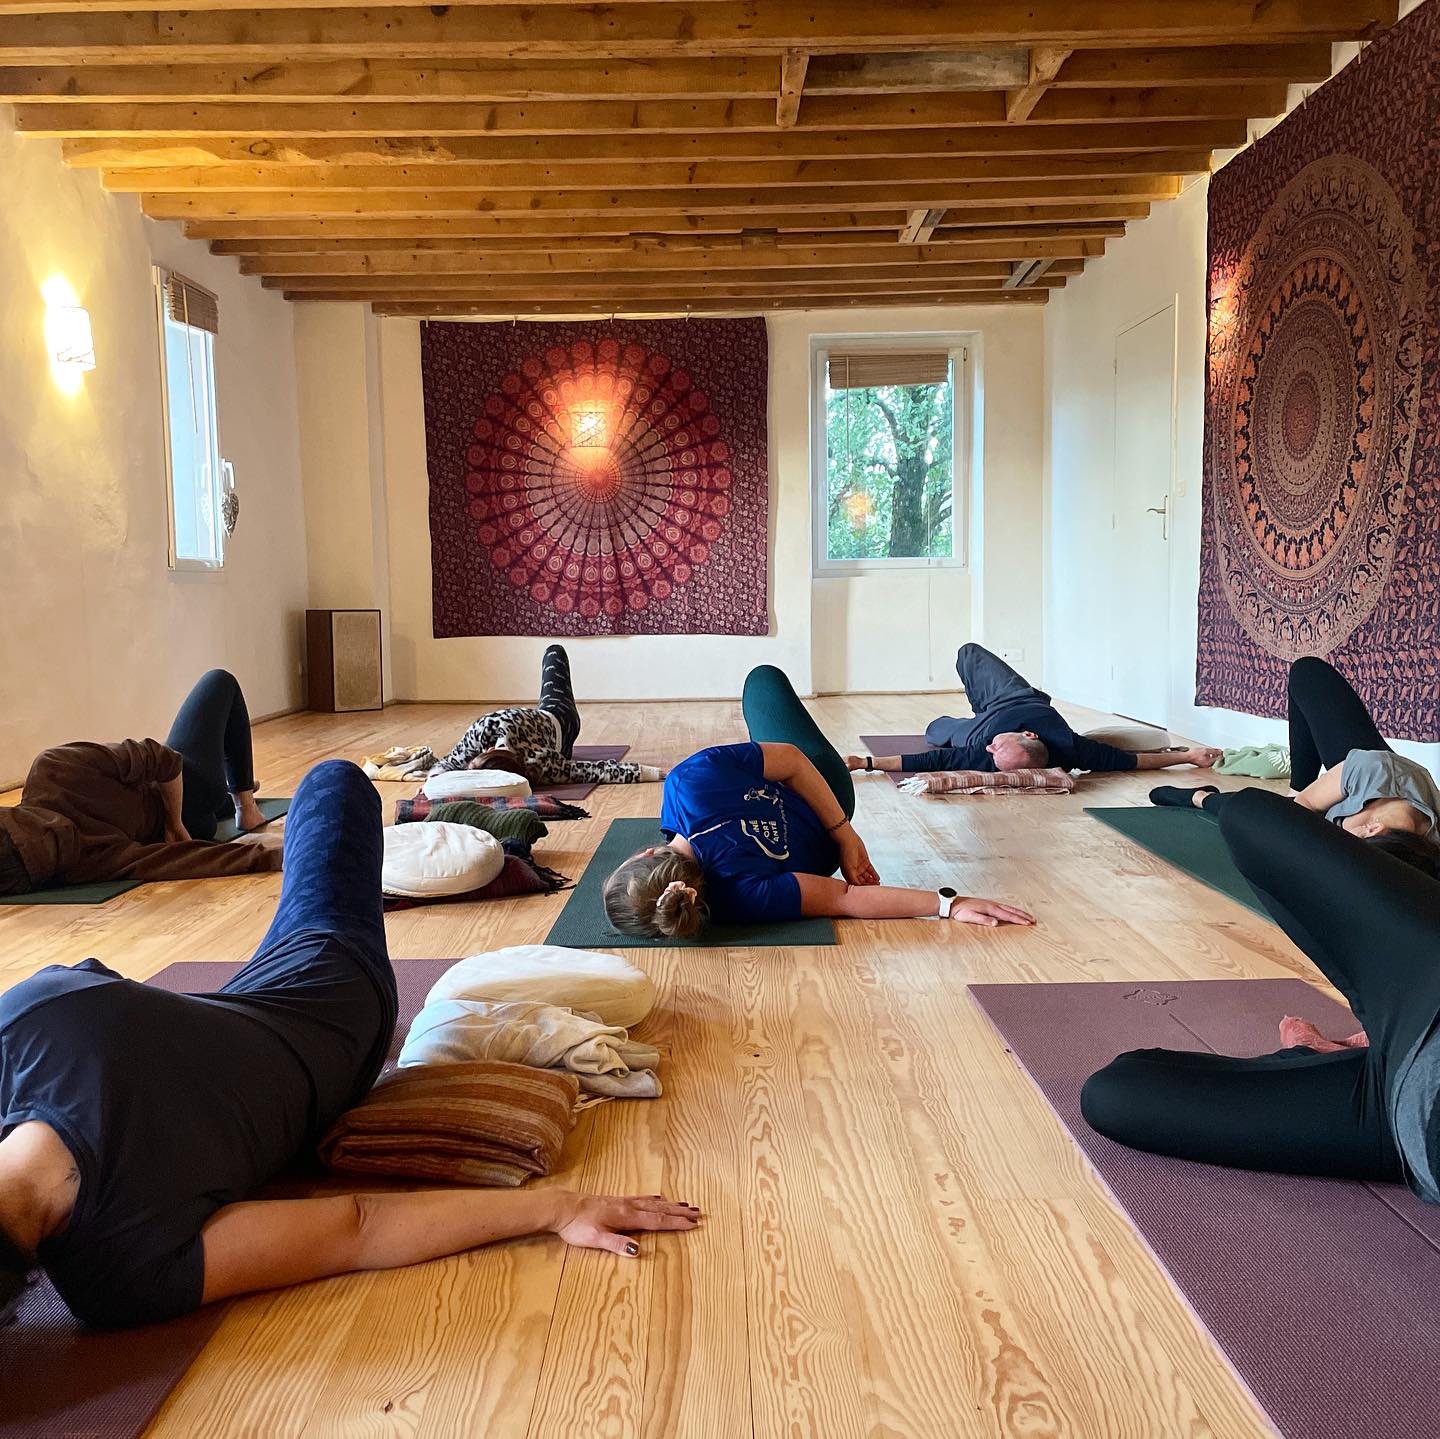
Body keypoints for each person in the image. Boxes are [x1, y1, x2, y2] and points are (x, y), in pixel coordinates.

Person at [0, 760, 699, 1331]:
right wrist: (556, 1208)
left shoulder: (119, 1275)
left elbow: (357, 1228)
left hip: (278, 1015)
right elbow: (358, 1227)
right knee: (334, 782)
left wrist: (561, 1209)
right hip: (332, 998)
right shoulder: (27, 1022)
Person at [1081, 787, 1440, 1204]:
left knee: (1118, 1093)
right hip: (1404, 1104)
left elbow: (1254, 814)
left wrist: (1202, 798)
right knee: (1115, 1092)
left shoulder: (1419, 942)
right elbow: (1122, 1085)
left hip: (1407, 1123)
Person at [602, 665, 1035, 939]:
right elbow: (791, 761)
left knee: (762, 752)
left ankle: (755, 759)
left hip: (831, 838)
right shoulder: (685, 782)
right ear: (644, 852)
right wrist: (844, 832)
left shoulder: (737, 902)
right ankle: (756, 748)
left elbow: (847, 898)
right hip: (822, 782)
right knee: (762, 679)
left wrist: (950, 906)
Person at [1148, 657, 1440, 876]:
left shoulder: (1416, 856)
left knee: (1251, 815)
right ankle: (1297, 783)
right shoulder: (1369, 769)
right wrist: (1293, 806)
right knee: (1307, 671)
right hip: (1374, 778)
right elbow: (1303, 807)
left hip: (1372, 810)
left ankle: (1200, 797)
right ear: (1372, 828)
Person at [0, 669, 282, 896]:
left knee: (209, 792)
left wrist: (271, 856)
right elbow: (165, 760)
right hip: (188, 800)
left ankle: (227, 792)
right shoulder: (52, 770)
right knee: (220, 681)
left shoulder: (75, 866)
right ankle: (245, 806)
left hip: (195, 828)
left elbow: (172, 860)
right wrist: (175, 822)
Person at [846, 642, 1221, 776]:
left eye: (995, 755)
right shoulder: (1074, 746)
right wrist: (1189, 754)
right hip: (1017, 698)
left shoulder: (983, 750)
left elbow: (927, 763)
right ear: (1029, 736)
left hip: (973, 729)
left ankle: (969, 720)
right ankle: (985, 706)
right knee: (968, 653)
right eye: (998, 747)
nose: (992, 751)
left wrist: (866, 763)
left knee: (934, 731)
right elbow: (1133, 759)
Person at [431, 644, 664, 787]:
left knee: (554, 651)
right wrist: (431, 782)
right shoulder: (535, 762)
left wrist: (658, 774)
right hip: (551, 737)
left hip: (560, 719)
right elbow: (446, 766)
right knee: (566, 759)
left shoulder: (531, 758)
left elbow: (598, 771)